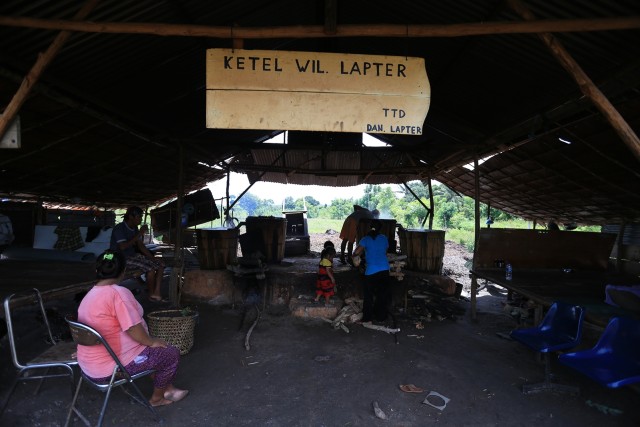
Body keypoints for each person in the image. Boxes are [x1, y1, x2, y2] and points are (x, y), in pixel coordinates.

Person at [76, 250, 188, 407]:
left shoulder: (90, 295)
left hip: (89, 365)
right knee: (170, 354)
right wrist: (151, 341)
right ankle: (157, 399)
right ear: (123, 271)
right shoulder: (118, 294)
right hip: (110, 369)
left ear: (97, 271)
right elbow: (133, 329)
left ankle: (168, 388)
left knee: (152, 350)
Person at [110, 206, 166, 302]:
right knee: (151, 269)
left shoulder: (135, 228)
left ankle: (156, 292)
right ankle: (151, 294)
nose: (140, 219)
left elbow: (141, 246)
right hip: (120, 258)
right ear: (131, 217)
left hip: (133, 256)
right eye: (139, 217)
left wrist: (152, 258)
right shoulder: (120, 228)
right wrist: (139, 234)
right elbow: (123, 247)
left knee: (161, 264)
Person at [353, 219, 390, 323]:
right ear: (380, 229)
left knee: (368, 296)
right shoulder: (384, 238)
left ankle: (367, 318)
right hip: (384, 270)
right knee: (382, 295)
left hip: (371, 271)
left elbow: (356, 253)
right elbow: (384, 252)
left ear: (370, 227)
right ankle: (381, 317)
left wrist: (358, 260)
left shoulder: (365, 239)